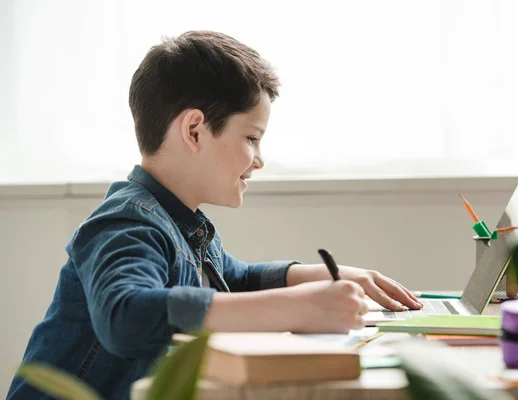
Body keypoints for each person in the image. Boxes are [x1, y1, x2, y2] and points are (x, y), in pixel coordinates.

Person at [7, 30, 422, 399]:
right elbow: (127, 316)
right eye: (252, 138)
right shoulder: (126, 221)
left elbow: (234, 280)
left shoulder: (184, 224)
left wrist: (320, 275)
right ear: (194, 130)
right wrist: (298, 308)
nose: (259, 160)